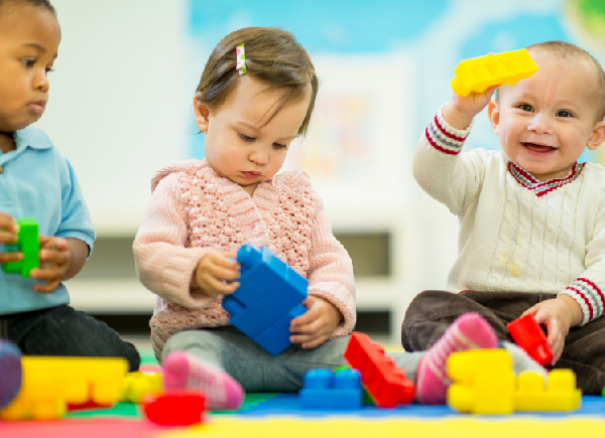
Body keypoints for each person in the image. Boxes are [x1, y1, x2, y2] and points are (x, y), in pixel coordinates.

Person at [402, 40, 605, 395]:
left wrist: (566, 309)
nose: (541, 125)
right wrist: (459, 112)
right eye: (526, 107)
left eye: (564, 114)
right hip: (484, 312)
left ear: (595, 134)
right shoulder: (482, 171)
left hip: (566, 321)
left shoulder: (598, 187)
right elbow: (429, 172)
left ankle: (512, 369)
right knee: (426, 309)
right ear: (496, 117)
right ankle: (495, 361)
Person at [0, 0, 140, 371]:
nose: (43, 79)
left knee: (114, 358)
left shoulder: (50, 158)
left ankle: (14, 372)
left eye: (49, 67)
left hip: (38, 315)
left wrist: (65, 257)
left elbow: (77, 233)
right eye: (29, 62)